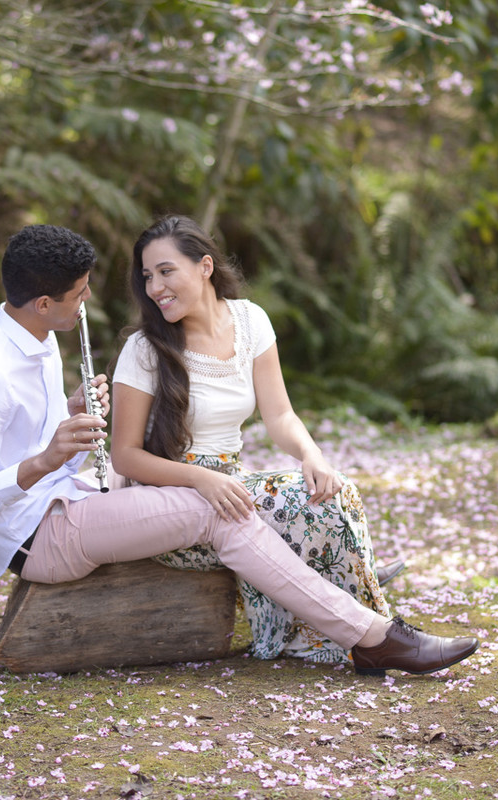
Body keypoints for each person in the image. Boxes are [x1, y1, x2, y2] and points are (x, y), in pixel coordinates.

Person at [0, 222, 479, 677]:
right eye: (79, 295)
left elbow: (38, 433)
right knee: (217, 507)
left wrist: (70, 413)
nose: (86, 304)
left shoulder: (38, 335)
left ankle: (353, 618)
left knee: (246, 502)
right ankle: (371, 634)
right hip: (37, 536)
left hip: (75, 497)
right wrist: (46, 459)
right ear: (44, 301)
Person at [110, 214, 421, 663]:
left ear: (205, 266)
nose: (155, 287)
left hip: (231, 489)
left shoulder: (250, 321)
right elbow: (125, 456)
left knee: (330, 491)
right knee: (310, 505)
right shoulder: (143, 349)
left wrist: (311, 454)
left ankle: (362, 613)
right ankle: (378, 629)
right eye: (147, 276)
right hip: (171, 502)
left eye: (165, 271)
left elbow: (279, 415)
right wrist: (201, 480)